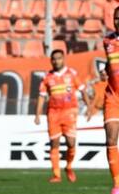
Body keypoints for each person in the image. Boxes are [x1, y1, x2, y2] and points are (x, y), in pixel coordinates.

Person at [34, 49, 88, 183]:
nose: (56, 61)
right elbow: (41, 96)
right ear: (51, 60)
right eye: (54, 59)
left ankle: (69, 167)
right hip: (53, 113)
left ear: (63, 59)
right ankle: (56, 174)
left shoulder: (72, 74)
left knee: (71, 143)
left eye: (58, 58)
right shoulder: (47, 76)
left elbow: (82, 90)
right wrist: (37, 114)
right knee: (54, 143)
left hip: (70, 112)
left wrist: (89, 107)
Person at [102, 7, 119, 194]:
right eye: (115, 18)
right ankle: (116, 185)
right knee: (111, 137)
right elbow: (110, 66)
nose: (117, 21)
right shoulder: (107, 41)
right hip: (113, 97)